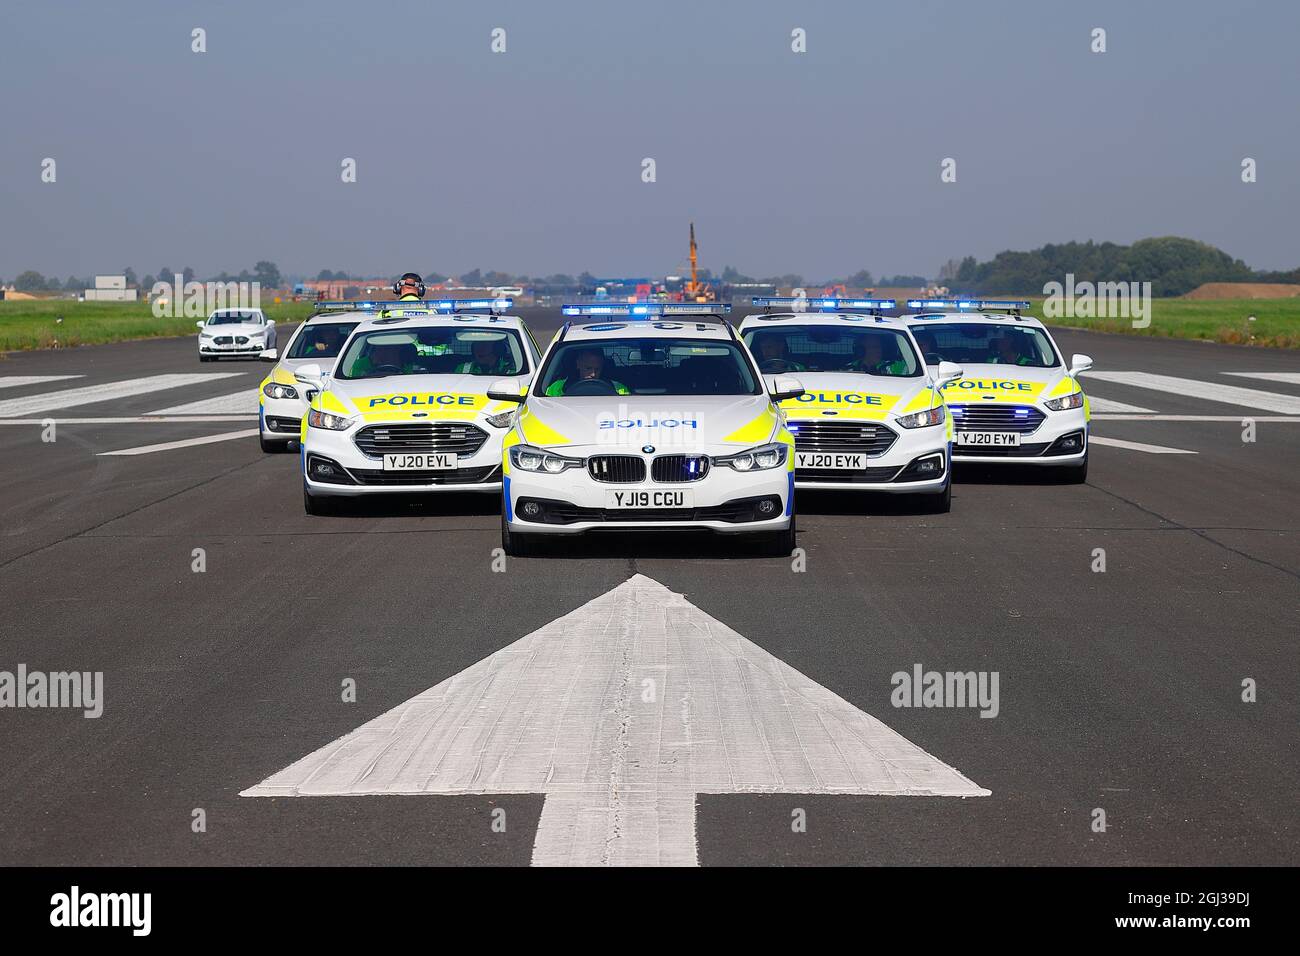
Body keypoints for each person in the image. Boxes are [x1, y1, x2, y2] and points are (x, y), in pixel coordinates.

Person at [545, 348, 629, 395]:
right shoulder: (557, 387)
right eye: (588, 368)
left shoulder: (619, 389)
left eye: (597, 369)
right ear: (578, 364)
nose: (593, 374)